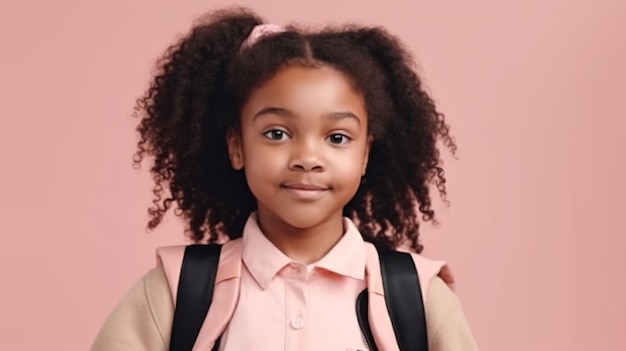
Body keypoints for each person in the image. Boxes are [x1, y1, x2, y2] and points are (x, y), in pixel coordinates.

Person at [91, 6, 478, 351]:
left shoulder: (420, 298)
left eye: (337, 137)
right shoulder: (175, 293)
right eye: (277, 133)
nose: (307, 158)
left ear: (365, 155)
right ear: (236, 146)